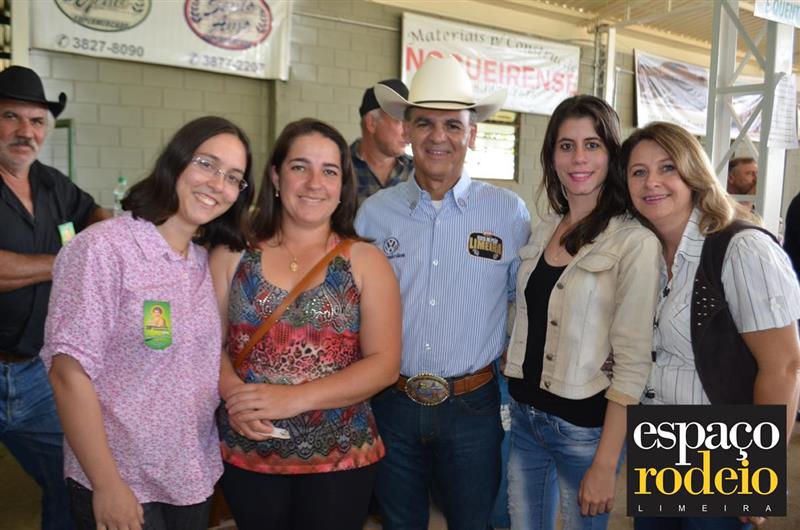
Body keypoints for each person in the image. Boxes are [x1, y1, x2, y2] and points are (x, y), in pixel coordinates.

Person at [41, 116, 255, 530]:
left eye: (233, 177)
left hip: (190, 476)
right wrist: (107, 485)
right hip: (123, 479)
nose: (217, 184)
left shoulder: (200, 263)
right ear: (175, 162)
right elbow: (68, 374)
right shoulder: (104, 249)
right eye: (206, 164)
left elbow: (202, 360)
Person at [355, 55, 531, 530]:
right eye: (425, 123)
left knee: (473, 522)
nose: (439, 137)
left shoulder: (508, 214)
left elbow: (524, 303)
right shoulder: (373, 215)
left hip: (474, 405)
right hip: (391, 401)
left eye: (453, 124)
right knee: (400, 523)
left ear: (472, 134)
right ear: (407, 130)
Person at [211, 118, 401, 530]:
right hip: (249, 451)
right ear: (276, 176)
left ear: (342, 185)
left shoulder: (365, 261)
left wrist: (293, 399)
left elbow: (384, 365)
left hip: (340, 457)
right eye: (300, 167)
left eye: (329, 171)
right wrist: (234, 395)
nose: (315, 183)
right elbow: (209, 344)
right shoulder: (232, 254)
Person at [622, 121, 800, 530]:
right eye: (638, 172)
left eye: (668, 167)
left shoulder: (741, 247)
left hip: (723, 446)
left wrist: (757, 473)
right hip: (658, 439)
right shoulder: (646, 251)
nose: (652, 182)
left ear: (694, 173)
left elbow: (784, 366)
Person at [503, 95, 661, 530]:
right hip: (524, 417)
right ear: (551, 156)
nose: (579, 158)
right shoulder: (544, 229)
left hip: (584, 430)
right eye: (566, 146)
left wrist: (606, 464)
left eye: (592, 145)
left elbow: (633, 362)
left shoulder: (634, 242)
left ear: (612, 154)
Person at [0, 65, 111, 530]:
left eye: (37, 121)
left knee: (71, 480)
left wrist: (108, 235)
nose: (26, 131)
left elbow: (95, 212)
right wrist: (68, 261)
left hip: (36, 373)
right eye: (11, 117)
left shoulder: (51, 183)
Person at [351, 78, 413, 206]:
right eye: (400, 121)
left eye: (410, 123)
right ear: (371, 123)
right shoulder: (340, 168)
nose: (408, 133)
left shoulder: (418, 173)